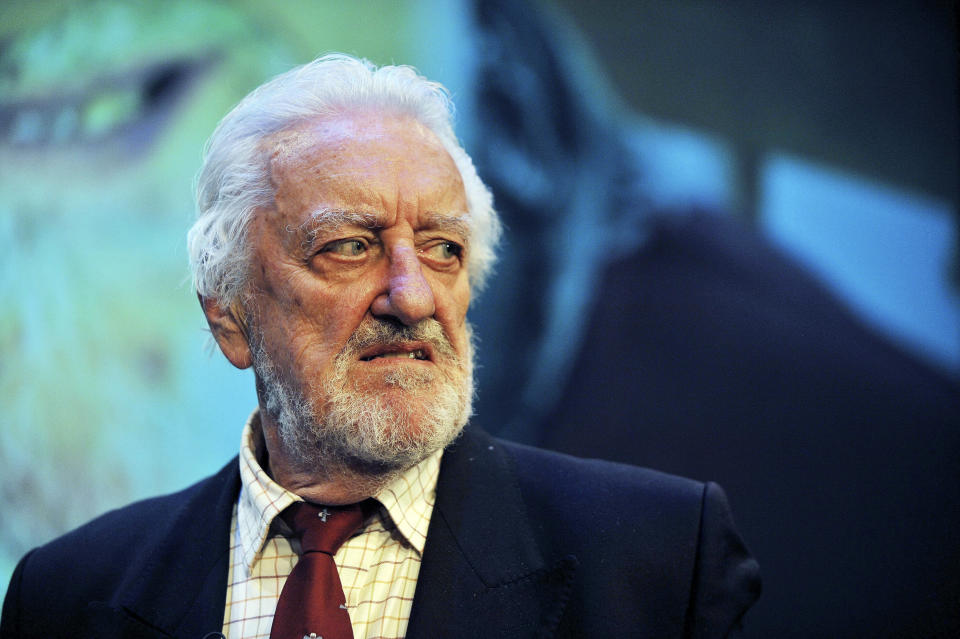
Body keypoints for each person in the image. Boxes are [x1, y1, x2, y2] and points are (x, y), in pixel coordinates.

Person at [0, 54, 760, 639]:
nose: (413, 296)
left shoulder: (658, 562)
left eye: (442, 250)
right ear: (231, 317)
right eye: (349, 246)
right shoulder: (68, 594)